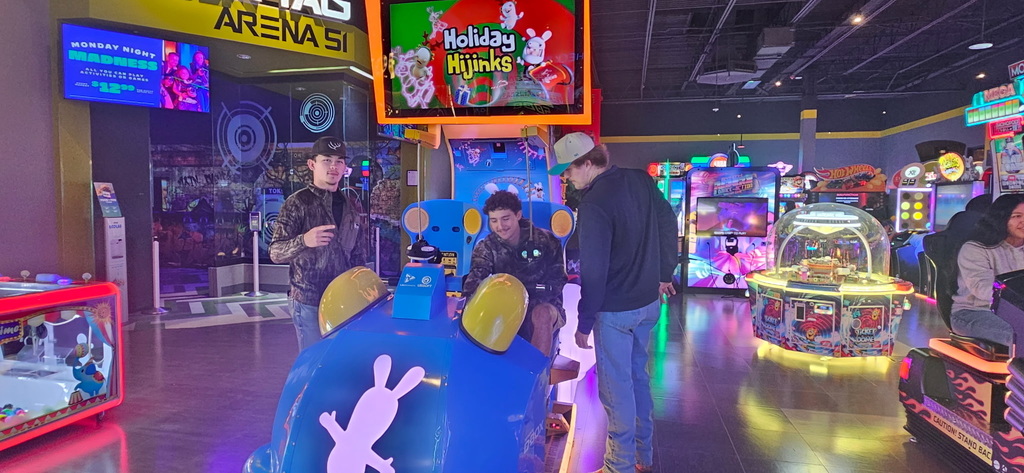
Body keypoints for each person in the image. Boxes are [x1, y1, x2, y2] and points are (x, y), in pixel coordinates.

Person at [548, 132, 677, 473]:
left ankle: (617, 465)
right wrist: (666, 272)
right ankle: (641, 456)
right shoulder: (639, 180)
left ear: (588, 164)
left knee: (616, 390)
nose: (567, 177)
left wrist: (585, 320)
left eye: (570, 170)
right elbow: (668, 220)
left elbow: (594, 267)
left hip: (615, 312)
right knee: (637, 379)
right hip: (649, 303)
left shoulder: (593, 204)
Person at [270, 136, 367, 351]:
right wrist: (304, 240)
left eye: (339, 161)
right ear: (312, 164)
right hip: (309, 301)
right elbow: (275, 252)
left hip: (344, 300)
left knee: (337, 362)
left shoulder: (351, 206)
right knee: (312, 364)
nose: (334, 166)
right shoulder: (298, 202)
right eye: (327, 160)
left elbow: (359, 256)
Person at [463, 190, 567, 356]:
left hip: (542, 305)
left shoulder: (546, 240)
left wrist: (530, 293)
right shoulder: (486, 247)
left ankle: (536, 374)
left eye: (505, 219)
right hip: (504, 307)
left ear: (518, 215)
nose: (500, 226)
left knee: (542, 314)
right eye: (494, 221)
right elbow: (476, 278)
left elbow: (557, 280)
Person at [950, 193, 1024, 346]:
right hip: (973, 313)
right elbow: (985, 290)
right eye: (1017, 216)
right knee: (1019, 334)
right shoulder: (975, 249)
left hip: (1018, 313)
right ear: (1001, 218)